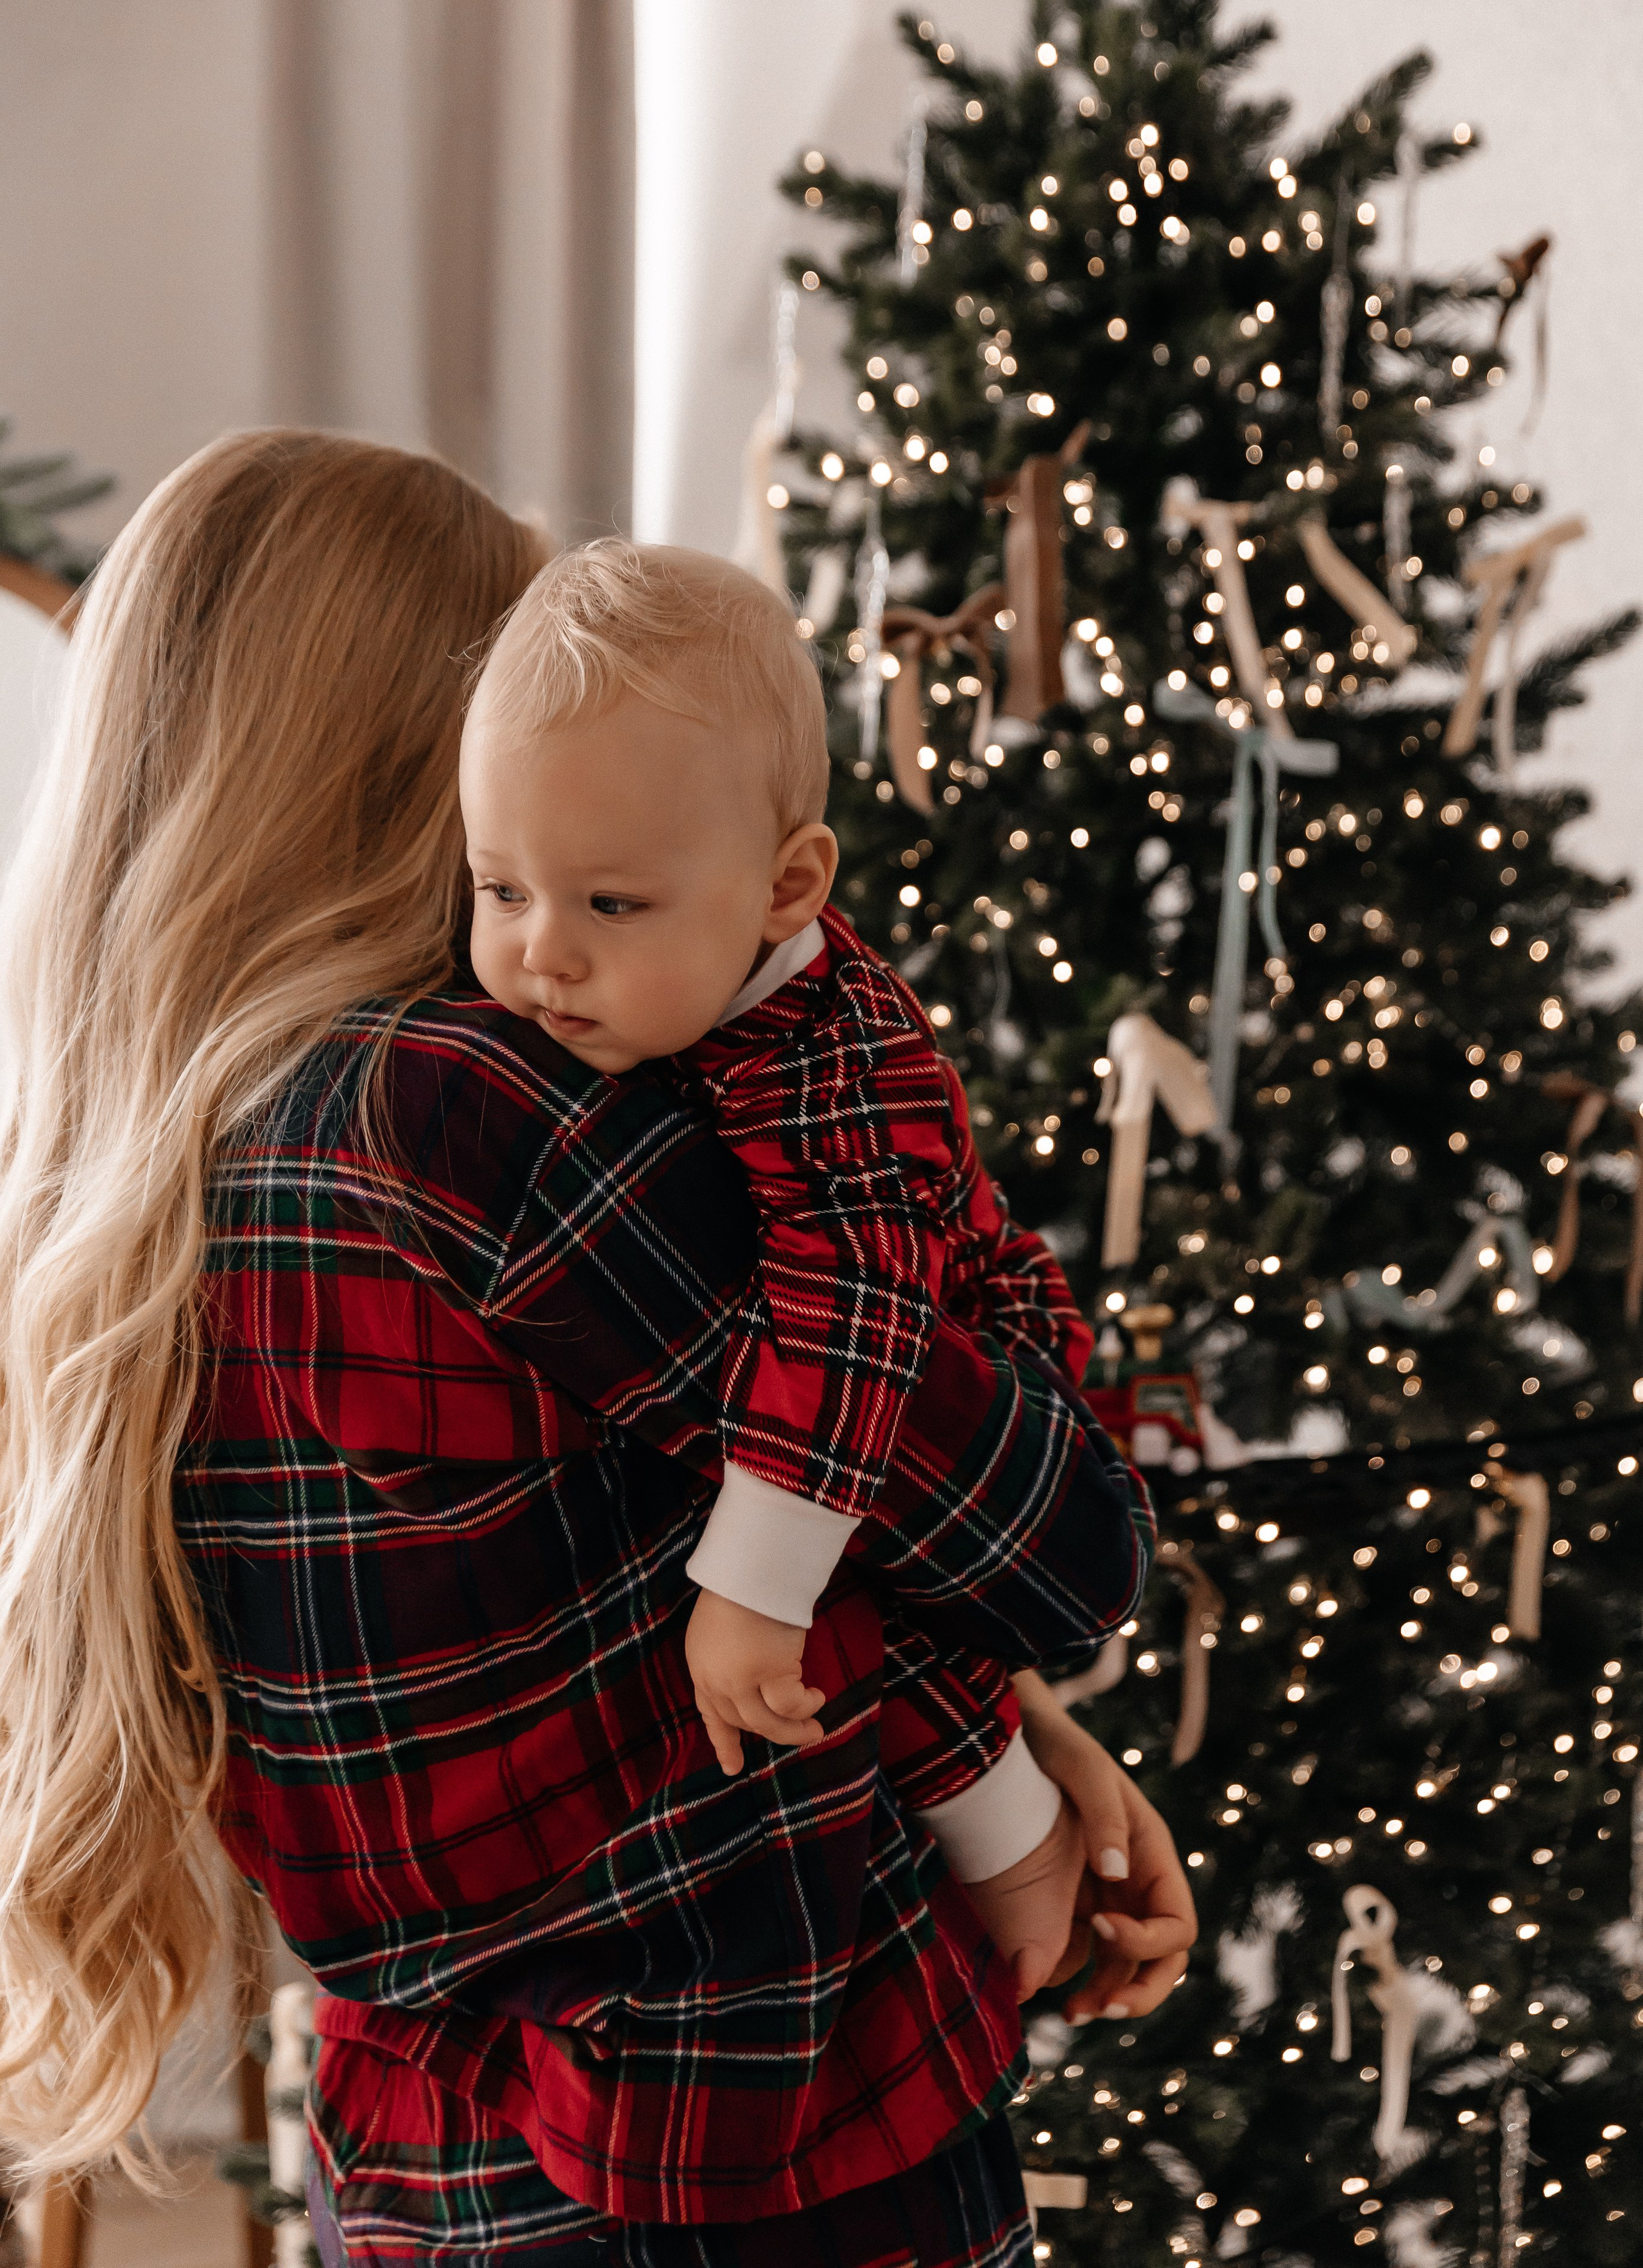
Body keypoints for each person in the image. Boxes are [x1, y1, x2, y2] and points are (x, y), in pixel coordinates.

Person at [0, 431, 1194, 2265]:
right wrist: (1005, 1732)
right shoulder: (457, 1113)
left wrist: (993, 1738)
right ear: (424, 767)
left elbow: (639, 1577)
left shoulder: (159, 1159)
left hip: (427, 2172)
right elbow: (1054, 1538)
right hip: (753, 2160)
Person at [460, 537, 1110, 1980]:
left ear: (785, 885)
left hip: (948, 1335)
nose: (541, 959)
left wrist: (754, 1583)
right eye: (500, 891)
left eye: (607, 906)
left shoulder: (835, 1065)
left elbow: (852, 1322)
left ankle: (1018, 1844)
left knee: (859, 1629)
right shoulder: (632, 993)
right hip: (818, 1379)